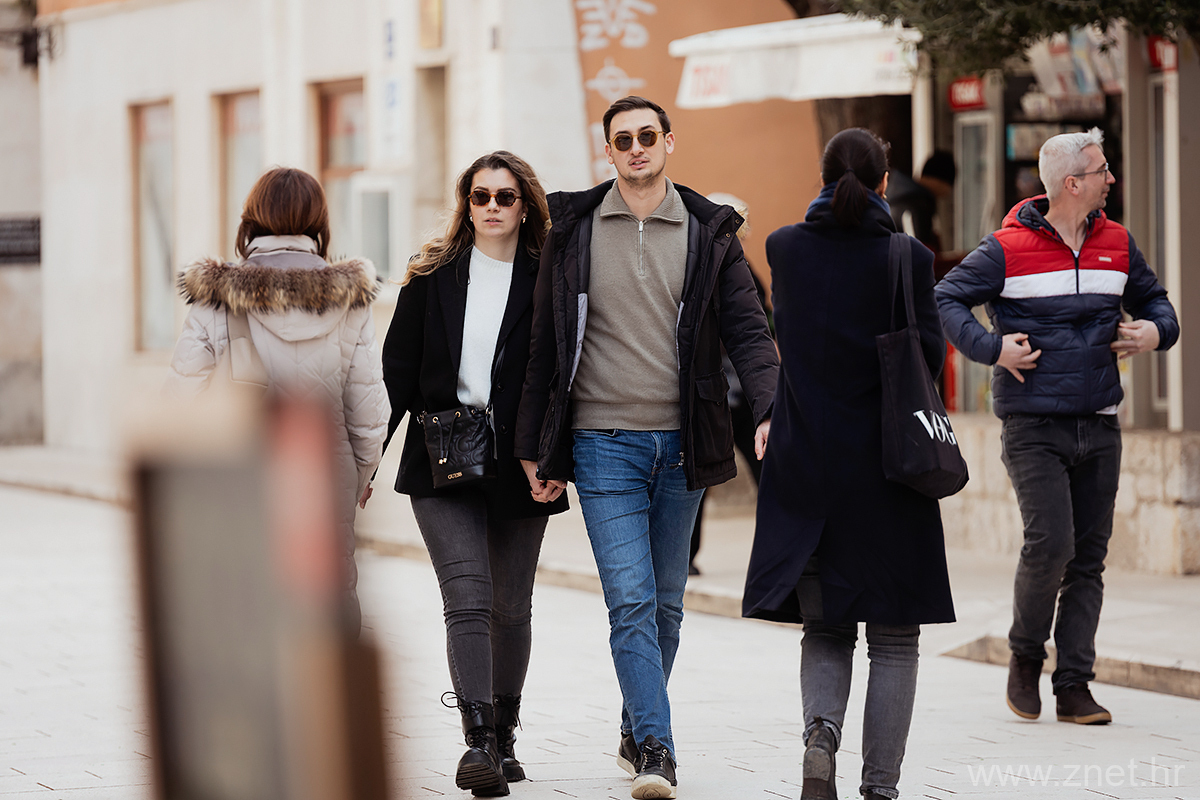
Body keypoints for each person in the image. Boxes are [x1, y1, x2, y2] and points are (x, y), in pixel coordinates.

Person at [515, 96, 778, 800]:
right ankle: (659, 749)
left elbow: (750, 332)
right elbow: (545, 346)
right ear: (608, 151)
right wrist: (533, 447)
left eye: (647, 136)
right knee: (630, 600)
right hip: (602, 444)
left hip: (684, 444)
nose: (636, 148)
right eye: (623, 139)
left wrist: (769, 408)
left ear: (668, 142)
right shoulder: (573, 230)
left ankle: (636, 727)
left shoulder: (710, 232)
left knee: (665, 605)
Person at [936, 128, 1178, 725]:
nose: (1111, 179)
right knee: (1052, 545)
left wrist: (1155, 331)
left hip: (1100, 424)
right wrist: (992, 349)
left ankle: (1073, 685)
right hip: (1033, 424)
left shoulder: (1117, 242)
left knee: (1089, 558)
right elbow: (944, 298)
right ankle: (1025, 657)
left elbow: (1157, 304)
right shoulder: (1006, 248)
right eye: (1101, 171)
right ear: (1073, 183)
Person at [743, 128, 956, 800]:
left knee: (827, 627)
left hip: (807, 469)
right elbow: (929, 359)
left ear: (823, 177)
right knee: (894, 640)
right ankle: (880, 789)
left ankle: (820, 737)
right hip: (890, 473)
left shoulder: (784, 248)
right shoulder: (908, 256)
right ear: (885, 183)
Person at [363, 151, 568, 797]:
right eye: (481, 196)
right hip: (442, 457)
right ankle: (477, 741)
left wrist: (556, 459)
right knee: (468, 598)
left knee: (511, 606)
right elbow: (394, 378)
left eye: (505, 197)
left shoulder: (551, 278)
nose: (493, 207)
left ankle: (505, 736)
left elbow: (567, 381)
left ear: (525, 205)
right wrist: (367, 459)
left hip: (522, 462)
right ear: (466, 204)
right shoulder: (431, 277)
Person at [166, 166, 388, 637]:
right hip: (325, 473)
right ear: (318, 222)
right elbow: (369, 411)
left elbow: (181, 403)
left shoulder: (215, 296)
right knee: (328, 607)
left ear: (252, 219)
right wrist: (360, 478)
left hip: (242, 473)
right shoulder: (350, 298)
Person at [687, 193, 769, 576]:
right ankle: (685, 556)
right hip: (716, 393)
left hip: (740, 393)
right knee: (701, 478)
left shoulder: (742, 271)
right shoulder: (703, 270)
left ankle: (778, 552)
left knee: (766, 470)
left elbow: (760, 329)